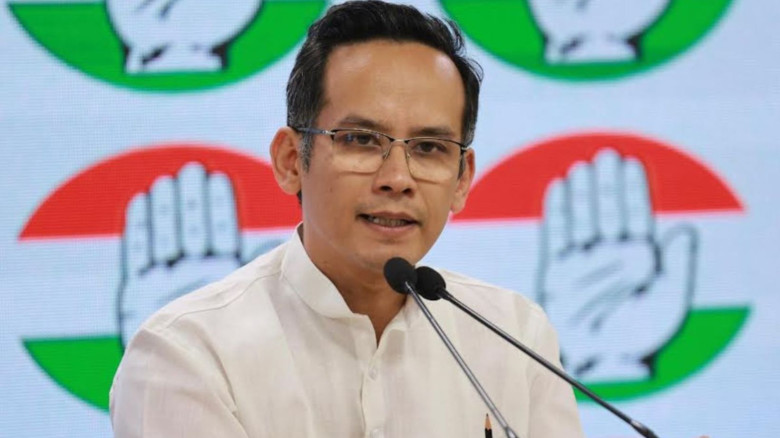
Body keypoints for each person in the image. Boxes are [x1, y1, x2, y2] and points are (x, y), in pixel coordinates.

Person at [109, 1, 584, 436]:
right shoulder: (188, 353)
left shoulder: (514, 337)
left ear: (461, 179)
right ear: (291, 160)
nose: (397, 178)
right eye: (360, 140)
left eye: (429, 148)